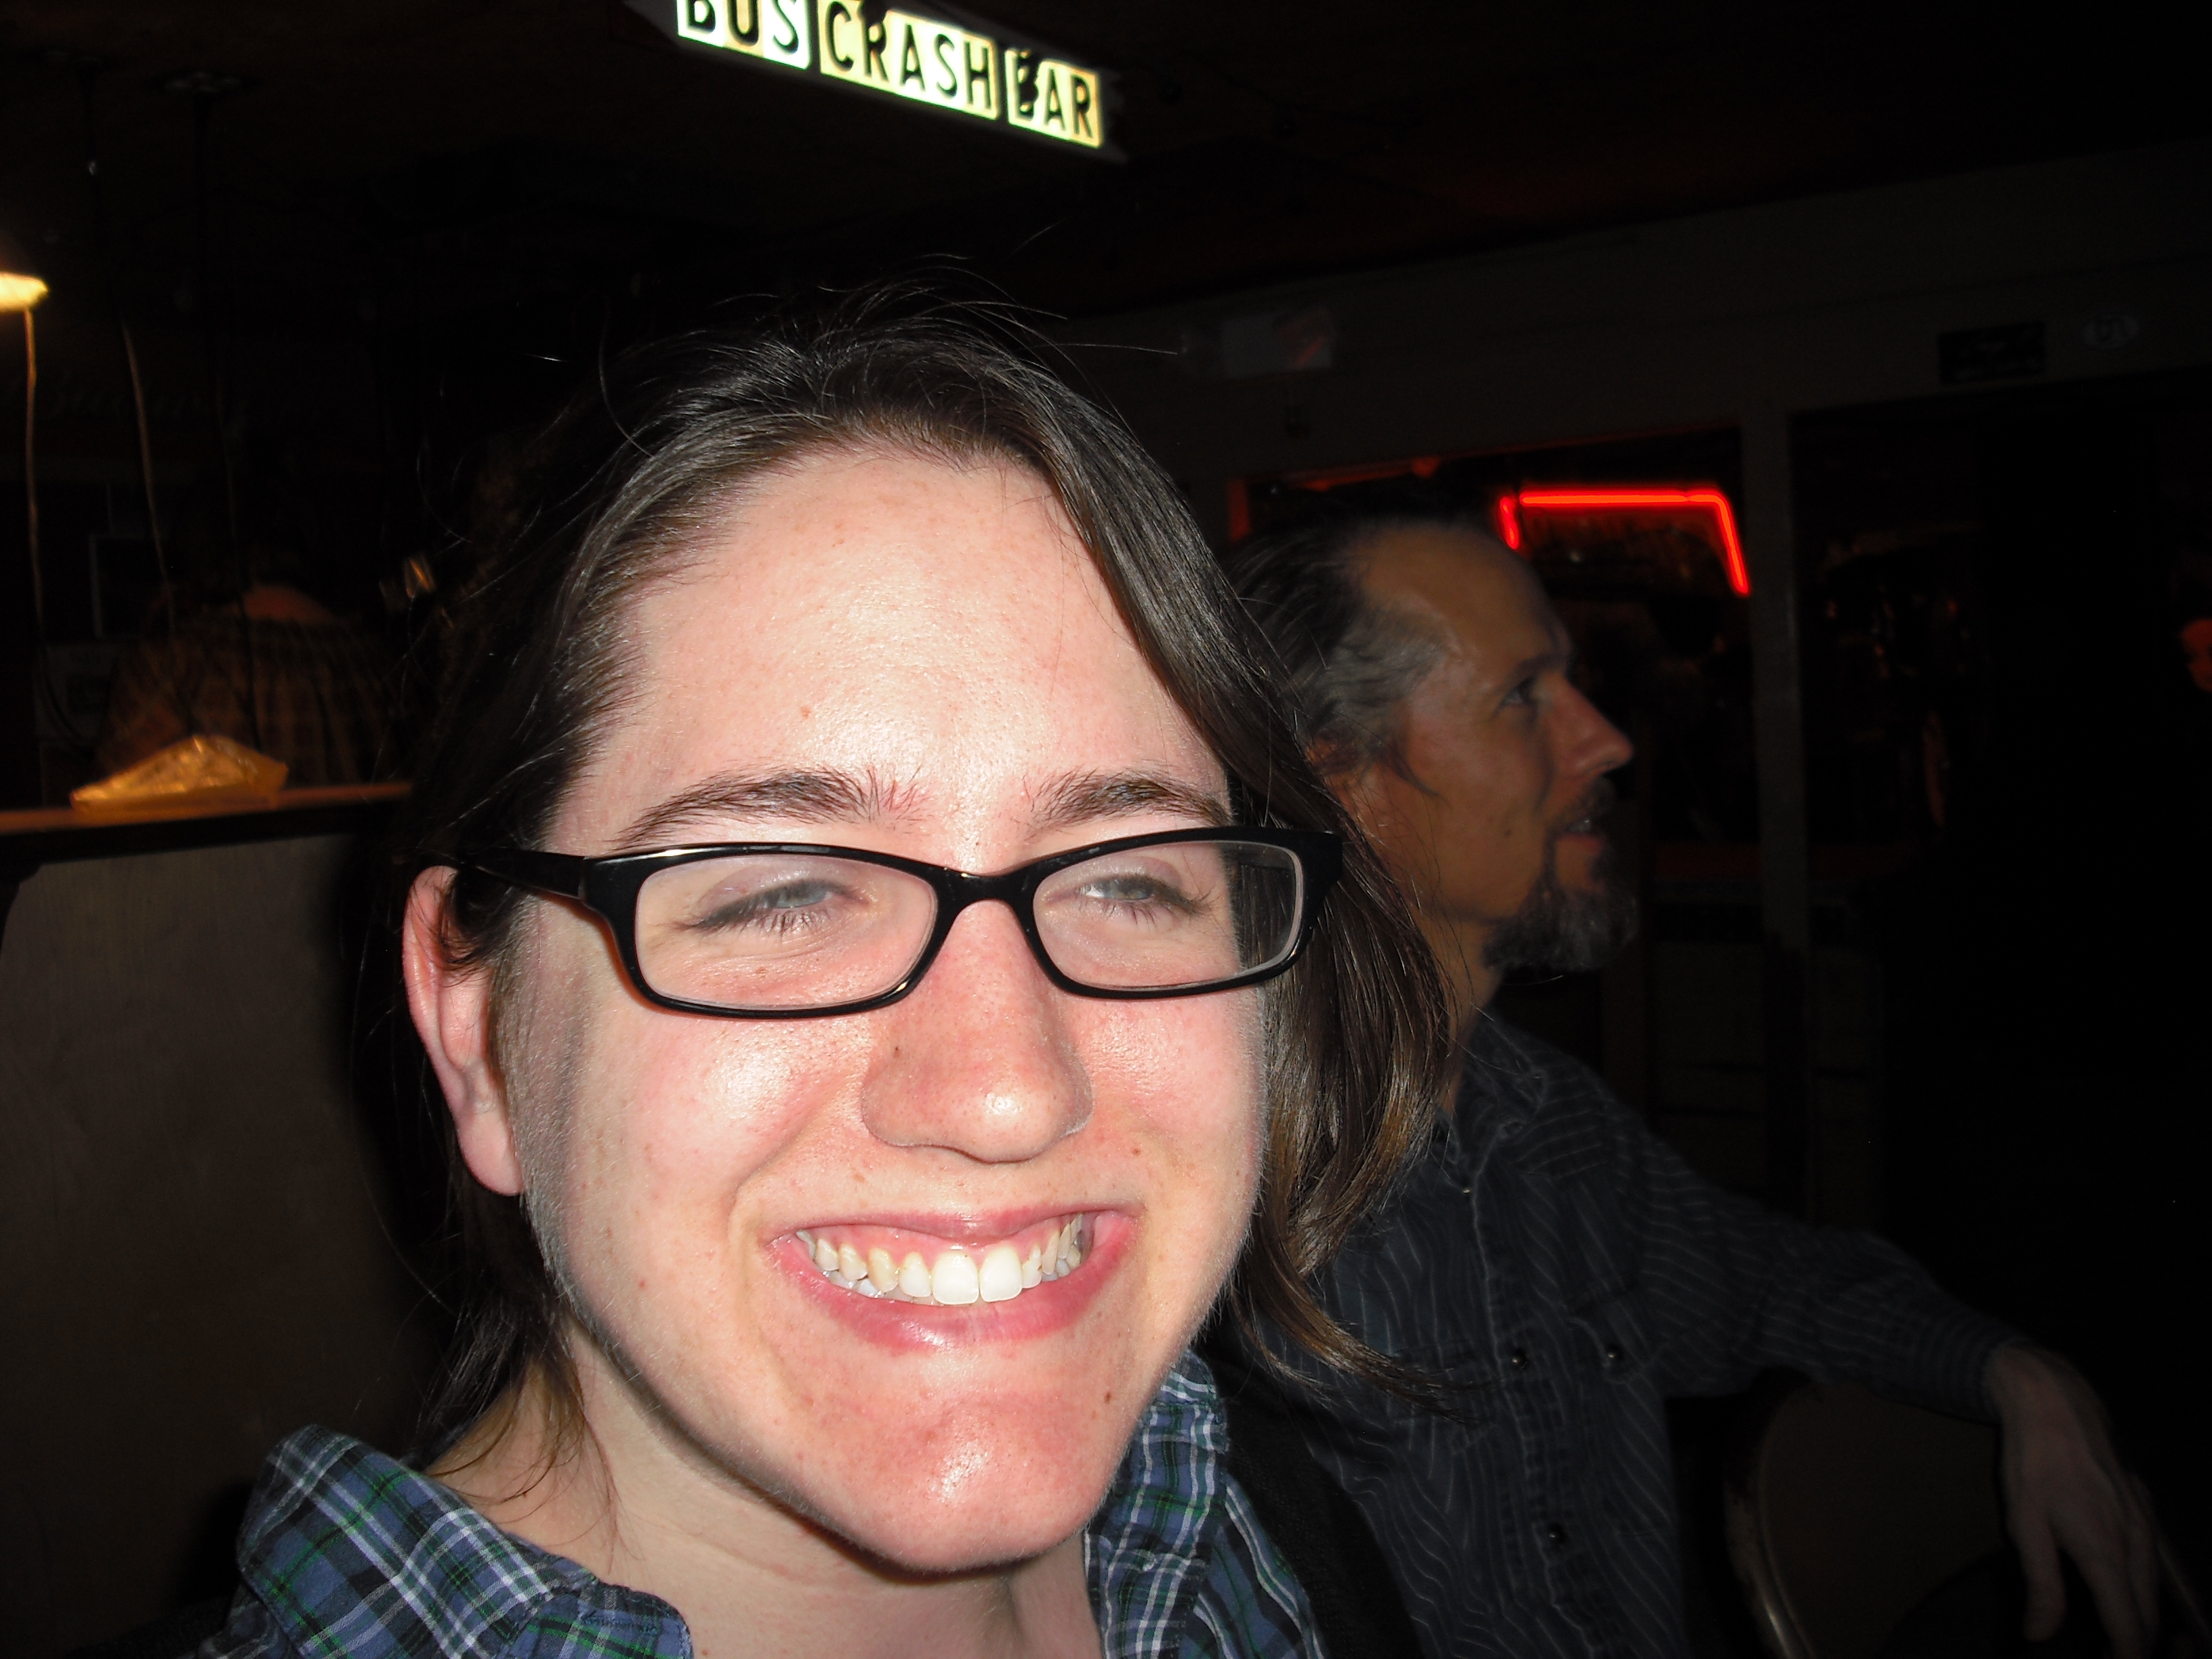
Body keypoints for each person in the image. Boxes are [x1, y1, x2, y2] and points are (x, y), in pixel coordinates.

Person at [196, 302, 1450, 1659]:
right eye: (783, 895)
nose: (1007, 1096)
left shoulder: (1248, 1529)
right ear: (478, 1031)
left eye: (1128, 882)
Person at [1222, 496, 2163, 1659]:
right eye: (1524, 697)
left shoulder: (1548, 1126)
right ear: (1346, 791)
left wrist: (2020, 1374)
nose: (1606, 741)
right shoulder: (1228, 1207)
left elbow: (1780, 1284)